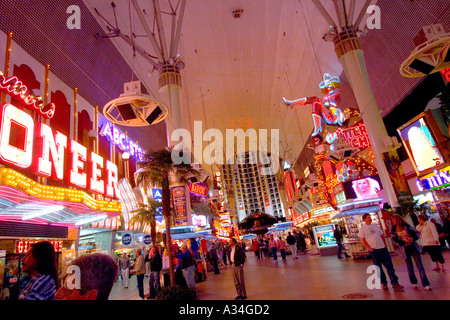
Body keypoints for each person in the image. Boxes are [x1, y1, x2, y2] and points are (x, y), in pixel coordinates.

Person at [358, 213, 404, 291]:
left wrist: (385, 244)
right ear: (364, 219)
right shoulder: (362, 229)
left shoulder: (376, 226)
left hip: (383, 249)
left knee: (390, 267)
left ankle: (395, 283)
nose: (370, 219)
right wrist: (369, 248)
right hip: (374, 250)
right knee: (378, 268)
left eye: (370, 217)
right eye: (368, 218)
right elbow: (362, 240)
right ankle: (384, 283)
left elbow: (382, 235)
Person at [391, 214, 431, 290]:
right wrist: (402, 242)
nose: (393, 221)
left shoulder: (406, 226)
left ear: (398, 220)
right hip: (404, 249)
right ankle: (414, 282)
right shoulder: (393, 229)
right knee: (409, 266)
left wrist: (412, 238)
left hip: (412, 247)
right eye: (393, 220)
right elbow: (394, 239)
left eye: (394, 219)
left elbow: (416, 233)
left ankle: (426, 284)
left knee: (420, 265)